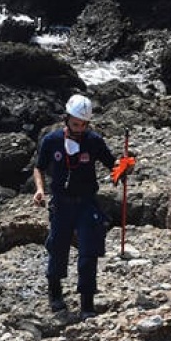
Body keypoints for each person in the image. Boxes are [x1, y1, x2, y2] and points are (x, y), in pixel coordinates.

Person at [33, 93, 125, 318]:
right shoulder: (52, 140)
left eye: (84, 124)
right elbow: (39, 167)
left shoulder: (93, 141)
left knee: (88, 253)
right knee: (57, 248)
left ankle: (87, 305)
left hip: (86, 203)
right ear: (67, 118)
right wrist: (39, 190)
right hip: (61, 204)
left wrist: (124, 167)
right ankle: (55, 295)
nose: (80, 128)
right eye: (76, 123)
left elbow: (111, 164)